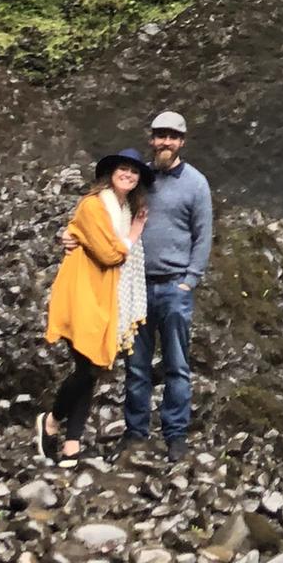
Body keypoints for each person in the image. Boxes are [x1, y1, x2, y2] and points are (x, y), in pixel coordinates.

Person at [38, 149, 150, 464]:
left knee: (91, 369)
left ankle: (72, 444)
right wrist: (133, 235)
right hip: (84, 291)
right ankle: (51, 420)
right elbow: (110, 254)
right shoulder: (94, 205)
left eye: (134, 171)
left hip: (106, 294)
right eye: (123, 169)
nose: (128, 175)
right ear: (110, 173)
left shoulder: (126, 209)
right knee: (87, 366)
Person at [122, 109, 212, 463]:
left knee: (176, 365)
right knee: (136, 365)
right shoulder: (139, 179)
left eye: (172, 137)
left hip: (175, 287)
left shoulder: (196, 183)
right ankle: (135, 433)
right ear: (152, 139)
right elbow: (110, 214)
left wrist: (190, 280)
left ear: (182, 142)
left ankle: (175, 435)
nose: (165, 142)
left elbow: (203, 235)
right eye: (161, 135)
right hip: (138, 286)